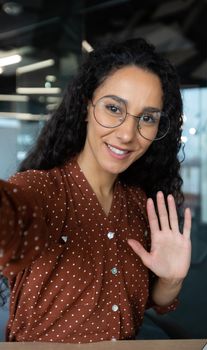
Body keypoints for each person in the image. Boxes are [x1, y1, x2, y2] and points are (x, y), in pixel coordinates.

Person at [0, 38, 192, 343]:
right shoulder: (41, 190)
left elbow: (146, 305)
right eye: (114, 108)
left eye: (147, 118)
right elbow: (9, 219)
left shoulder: (139, 204)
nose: (128, 133)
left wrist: (171, 279)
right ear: (87, 106)